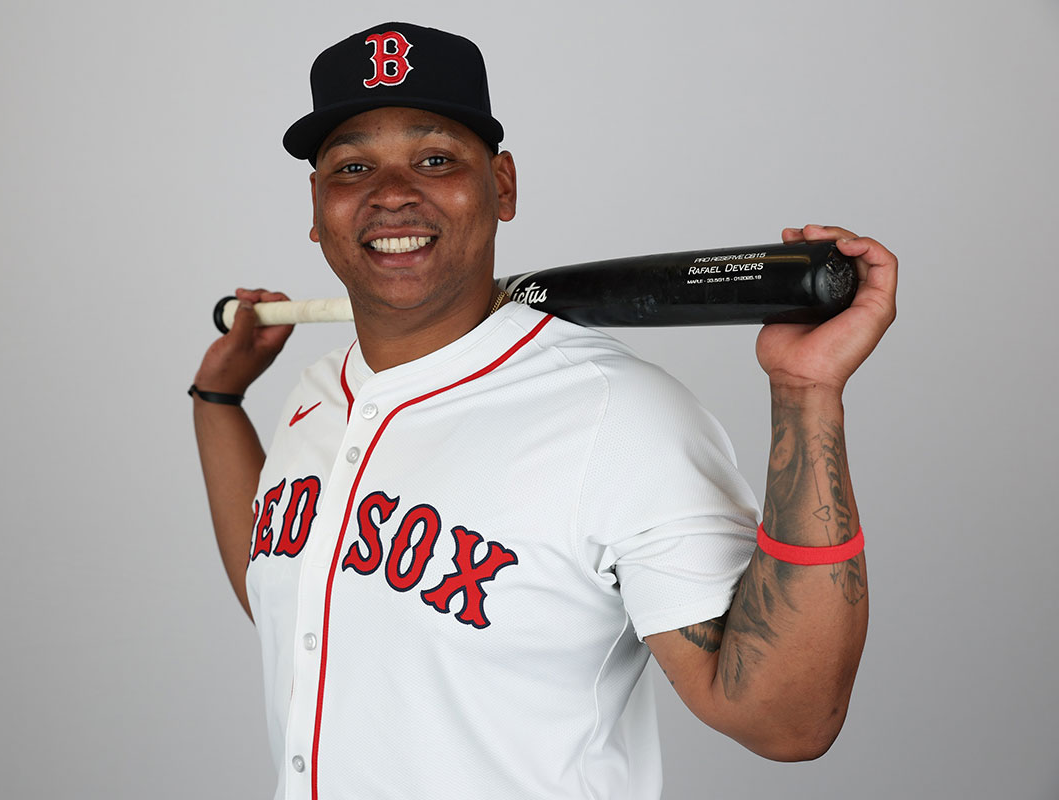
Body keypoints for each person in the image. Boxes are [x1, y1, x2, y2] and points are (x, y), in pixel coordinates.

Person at [190, 21, 897, 799]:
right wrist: (219, 402)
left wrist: (806, 394)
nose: (392, 193)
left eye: (434, 159)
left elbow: (787, 723)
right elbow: (288, 598)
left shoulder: (619, 417)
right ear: (319, 209)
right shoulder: (316, 392)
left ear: (502, 186)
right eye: (353, 167)